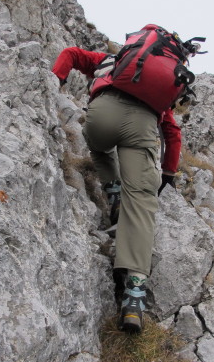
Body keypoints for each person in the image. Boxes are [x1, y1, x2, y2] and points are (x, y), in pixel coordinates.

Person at [52, 41, 182, 333]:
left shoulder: (110, 61)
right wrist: (169, 172)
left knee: (98, 148)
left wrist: (54, 81)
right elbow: (172, 131)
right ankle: (134, 298)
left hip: (103, 115)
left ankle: (113, 192)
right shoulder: (154, 90)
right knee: (142, 204)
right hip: (143, 126)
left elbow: (70, 54)